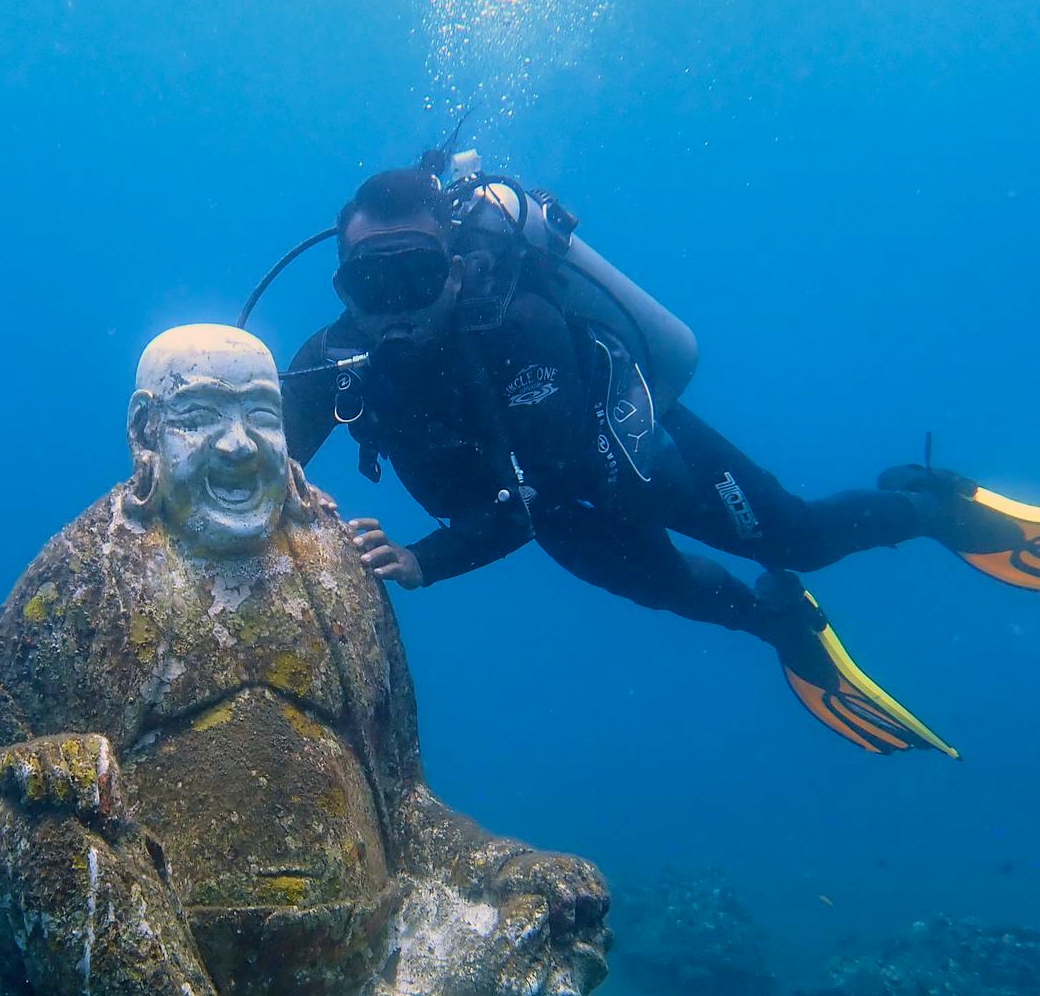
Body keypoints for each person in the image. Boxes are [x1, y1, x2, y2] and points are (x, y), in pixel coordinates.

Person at [275, 162, 1040, 755]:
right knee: (691, 597)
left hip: (641, 458)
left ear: (450, 267)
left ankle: (930, 504)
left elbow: (536, 488)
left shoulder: (519, 326)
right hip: (553, 518)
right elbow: (261, 455)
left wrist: (421, 559)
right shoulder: (338, 358)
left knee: (796, 537)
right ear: (343, 288)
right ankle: (781, 619)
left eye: (411, 275)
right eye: (368, 284)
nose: (393, 307)